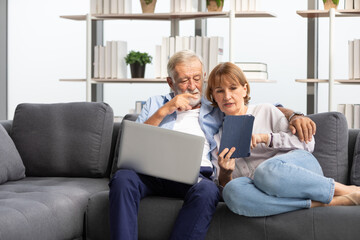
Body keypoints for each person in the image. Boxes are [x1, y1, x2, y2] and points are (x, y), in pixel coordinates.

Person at [109, 50, 317, 240]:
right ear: (170, 83)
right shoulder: (155, 104)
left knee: (209, 191)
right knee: (123, 178)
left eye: (197, 79)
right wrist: (166, 110)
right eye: (183, 80)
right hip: (151, 174)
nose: (192, 86)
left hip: (195, 176)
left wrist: (295, 115)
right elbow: (137, 140)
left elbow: (249, 104)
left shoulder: (216, 105)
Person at [205, 62, 360, 218]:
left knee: (265, 171)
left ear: (244, 90)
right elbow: (228, 187)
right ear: (214, 96)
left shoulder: (265, 110)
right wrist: (225, 174)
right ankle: (325, 203)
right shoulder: (217, 138)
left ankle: (346, 190)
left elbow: (307, 144)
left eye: (233, 88)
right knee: (232, 192)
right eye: (220, 91)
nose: (227, 96)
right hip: (263, 190)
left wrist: (266, 138)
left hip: (298, 172)